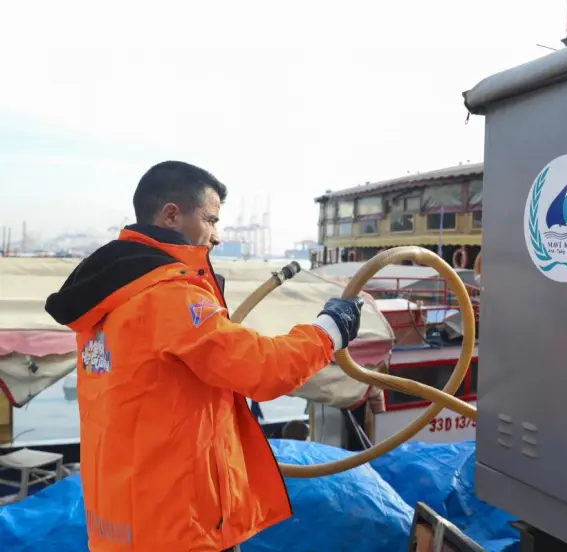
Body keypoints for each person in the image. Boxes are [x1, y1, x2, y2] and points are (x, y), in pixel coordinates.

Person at [44, 160, 364, 552]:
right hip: (179, 530)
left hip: (120, 527)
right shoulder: (169, 295)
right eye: (210, 220)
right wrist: (330, 331)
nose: (216, 236)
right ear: (171, 215)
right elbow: (265, 369)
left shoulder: (107, 298)